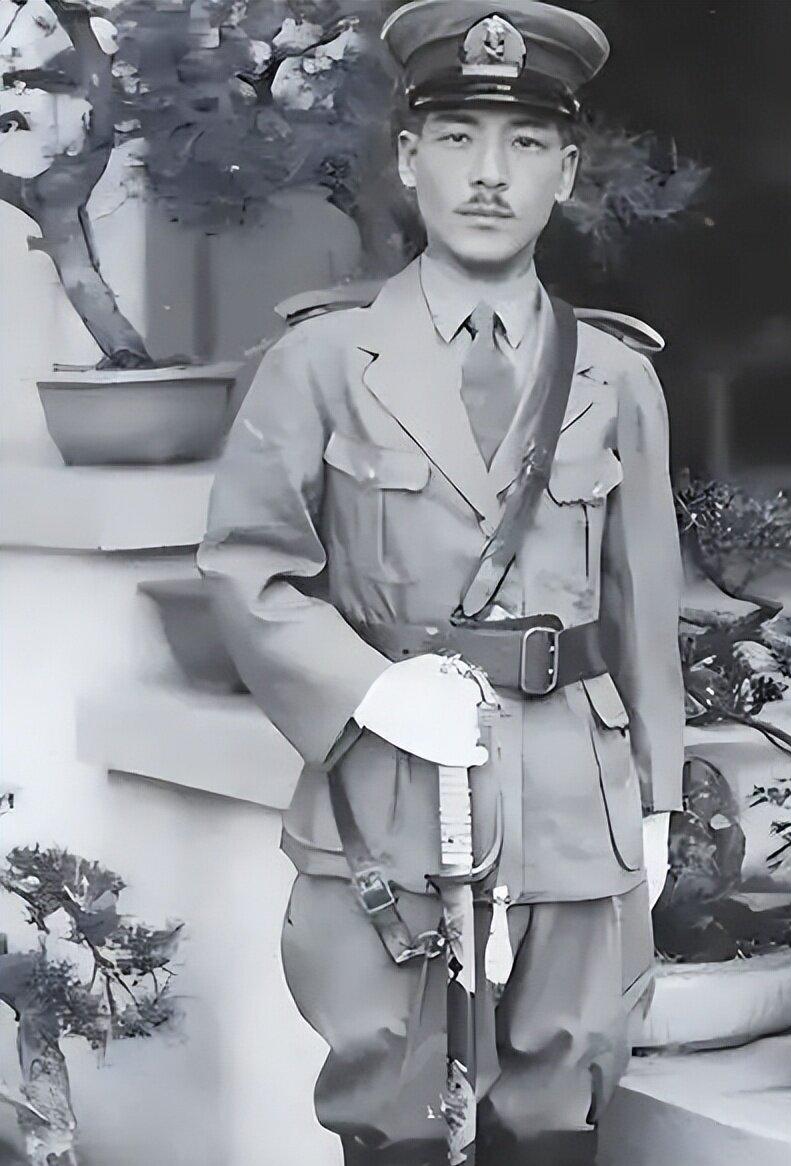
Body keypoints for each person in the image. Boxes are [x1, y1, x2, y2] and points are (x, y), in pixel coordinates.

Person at [196, 2, 686, 1163]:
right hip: (391, 789)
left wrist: (657, 795)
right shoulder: (321, 362)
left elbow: (644, 604)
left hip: (575, 790)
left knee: (561, 1100)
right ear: (410, 159)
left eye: (526, 143)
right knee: (397, 1097)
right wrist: (367, 690)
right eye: (459, 137)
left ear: (566, 172)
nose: (490, 174)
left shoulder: (614, 376)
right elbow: (248, 563)